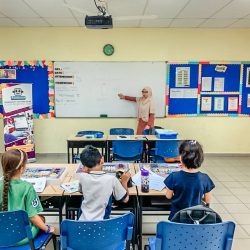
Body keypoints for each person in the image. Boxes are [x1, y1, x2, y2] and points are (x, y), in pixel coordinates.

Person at [0, 149, 56, 245]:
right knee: (41, 219)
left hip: (2, 237)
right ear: (22, 168)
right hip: (23, 237)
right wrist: (48, 229)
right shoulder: (27, 187)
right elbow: (33, 217)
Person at [164, 140, 215, 220]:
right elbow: (208, 200)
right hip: (195, 220)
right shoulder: (205, 178)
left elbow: (168, 196)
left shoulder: (174, 177)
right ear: (200, 158)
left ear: (181, 158)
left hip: (176, 218)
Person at [78, 145, 130, 221]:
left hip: (81, 224)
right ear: (102, 160)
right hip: (102, 226)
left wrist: (86, 172)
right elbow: (125, 199)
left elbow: (81, 191)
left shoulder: (82, 177)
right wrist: (124, 182)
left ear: (84, 166)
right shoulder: (111, 179)